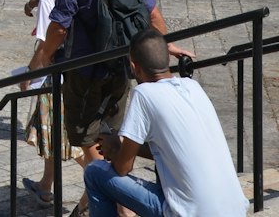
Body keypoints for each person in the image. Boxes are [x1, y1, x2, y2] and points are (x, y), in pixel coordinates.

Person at [25, 0, 175, 185]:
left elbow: (60, 25)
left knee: (85, 136)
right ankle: (92, 204)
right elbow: (152, 13)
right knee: (110, 136)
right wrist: (161, 53)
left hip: (86, 69)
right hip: (122, 65)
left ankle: (119, 202)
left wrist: (45, 55)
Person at [86, 28, 248, 216]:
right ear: (168, 60)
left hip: (191, 213)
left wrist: (116, 150)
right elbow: (174, 150)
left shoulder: (144, 94)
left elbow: (123, 168)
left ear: (133, 65)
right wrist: (124, 147)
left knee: (95, 172)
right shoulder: (192, 87)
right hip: (235, 208)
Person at [20, 0, 84, 208]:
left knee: (69, 139)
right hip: (78, 70)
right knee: (53, 134)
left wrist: (28, 74)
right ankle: (46, 186)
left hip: (54, 77)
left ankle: (107, 185)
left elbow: (47, 45)